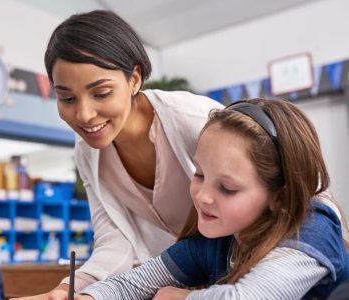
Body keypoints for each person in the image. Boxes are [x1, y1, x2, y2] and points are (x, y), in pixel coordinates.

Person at [17, 9, 223, 300]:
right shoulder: (87, 153)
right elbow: (116, 243)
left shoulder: (196, 121)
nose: (85, 115)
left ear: (134, 79)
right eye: (67, 98)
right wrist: (67, 290)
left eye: (101, 93)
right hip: (174, 285)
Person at [74, 98, 349, 299]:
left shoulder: (312, 228)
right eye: (200, 174)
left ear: (280, 196)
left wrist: (180, 298)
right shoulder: (213, 241)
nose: (203, 197)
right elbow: (129, 286)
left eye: (228, 188)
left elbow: (248, 298)